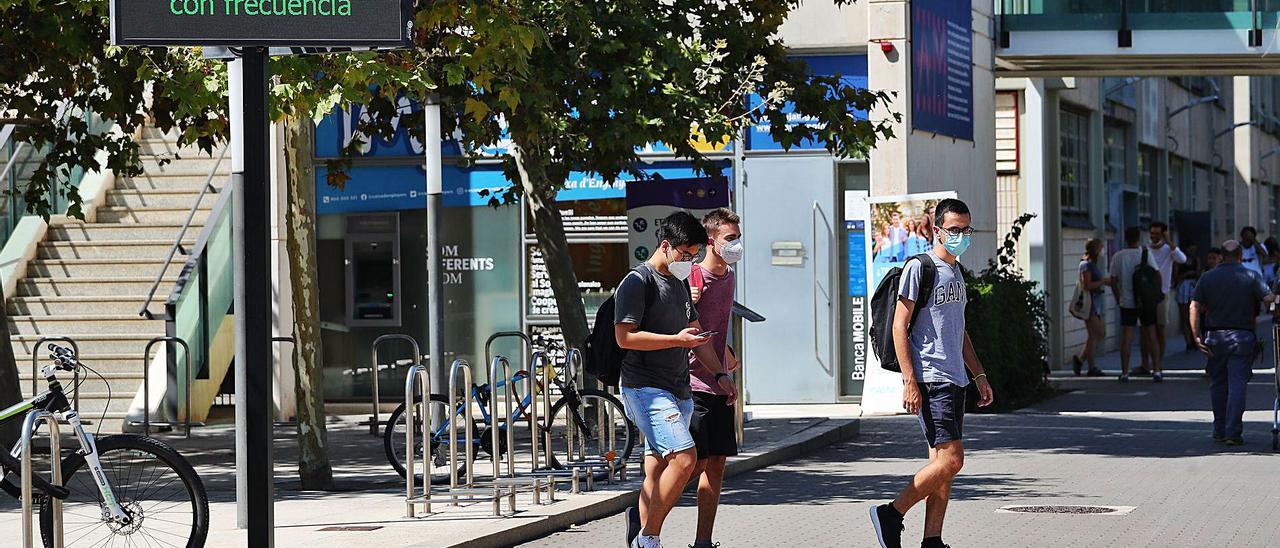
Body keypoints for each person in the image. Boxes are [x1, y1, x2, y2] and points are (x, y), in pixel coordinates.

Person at [869, 198, 994, 548]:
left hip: (956, 377)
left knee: (942, 465)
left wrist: (979, 374)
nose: (960, 235)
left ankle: (932, 539)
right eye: (954, 229)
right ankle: (891, 513)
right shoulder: (920, 267)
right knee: (953, 459)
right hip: (931, 376)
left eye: (966, 229)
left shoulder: (956, 271)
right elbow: (899, 326)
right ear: (937, 229)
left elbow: (959, 328)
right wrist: (910, 381)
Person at [617, 211, 737, 548]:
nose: (690, 260)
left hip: (678, 387)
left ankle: (644, 520)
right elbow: (624, 337)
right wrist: (676, 340)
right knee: (685, 458)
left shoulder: (680, 282)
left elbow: (696, 337)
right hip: (644, 387)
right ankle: (648, 538)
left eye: (695, 255)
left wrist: (720, 375)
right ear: (666, 245)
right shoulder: (637, 281)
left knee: (666, 467)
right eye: (686, 254)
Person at [685, 208, 742, 548]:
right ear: (711, 242)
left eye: (738, 237)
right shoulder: (694, 278)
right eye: (730, 239)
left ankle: (703, 541)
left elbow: (718, 328)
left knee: (716, 464)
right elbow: (691, 331)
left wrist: (726, 360)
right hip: (692, 383)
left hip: (719, 381)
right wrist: (719, 372)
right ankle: (648, 511)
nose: (736, 244)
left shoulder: (729, 276)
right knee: (692, 464)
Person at [1190, 240, 1277, 445]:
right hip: (1242, 338)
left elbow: (1194, 306)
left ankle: (1219, 429)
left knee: (1218, 384)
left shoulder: (1207, 277)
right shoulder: (1250, 276)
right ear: (1240, 256)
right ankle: (1232, 432)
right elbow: (1268, 299)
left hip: (1215, 338)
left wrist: (1195, 335)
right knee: (1237, 384)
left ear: (1221, 256)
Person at [1109, 226, 1161, 383]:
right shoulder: (1145, 253)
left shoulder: (1118, 256)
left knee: (1127, 336)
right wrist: (1155, 295)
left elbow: (1113, 280)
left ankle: (1124, 372)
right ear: (1139, 238)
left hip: (1127, 301)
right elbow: (1157, 274)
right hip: (1145, 301)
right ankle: (1157, 371)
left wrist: (1118, 297)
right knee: (1152, 334)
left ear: (1125, 238)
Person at [1137, 222, 1186, 378]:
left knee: (1160, 330)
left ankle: (1159, 363)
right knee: (1144, 331)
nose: (1154, 236)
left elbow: (1182, 259)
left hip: (1162, 294)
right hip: (1145, 295)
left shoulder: (1168, 250)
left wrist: (1169, 242)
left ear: (1164, 234)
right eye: (1152, 233)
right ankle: (1145, 364)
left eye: (1158, 233)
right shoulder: (1145, 250)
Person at [1072, 239, 1110, 376]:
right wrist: (1103, 281)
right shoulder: (1086, 265)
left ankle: (1081, 360)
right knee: (1094, 335)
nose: (1102, 250)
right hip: (1090, 305)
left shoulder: (1092, 264)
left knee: (1099, 334)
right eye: (1100, 248)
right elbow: (1086, 285)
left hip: (1096, 304)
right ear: (1095, 249)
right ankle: (1091, 367)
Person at [1173, 243, 1203, 353]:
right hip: (1183, 287)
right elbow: (1175, 277)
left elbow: (1199, 273)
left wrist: (1194, 273)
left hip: (1193, 286)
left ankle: (1195, 340)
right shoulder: (1179, 261)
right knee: (1185, 316)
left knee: (1195, 314)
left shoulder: (1196, 260)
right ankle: (1188, 342)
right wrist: (1186, 275)